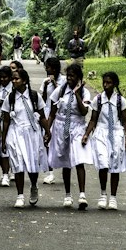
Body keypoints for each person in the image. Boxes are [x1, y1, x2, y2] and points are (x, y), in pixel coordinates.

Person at [81, 69, 126, 209]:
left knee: (115, 165)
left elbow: (125, 120)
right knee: (103, 163)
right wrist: (86, 134)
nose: (106, 85)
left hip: (116, 133)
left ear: (114, 84)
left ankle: (113, 197)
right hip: (101, 133)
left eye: (109, 83)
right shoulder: (98, 100)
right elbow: (93, 119)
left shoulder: (120, 101)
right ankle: (103, 194)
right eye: (104, 82)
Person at [44, 60, 92, 208]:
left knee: (78, 160)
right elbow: (52, 112)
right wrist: (48, 130)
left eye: (72, 76)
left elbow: (84, 111)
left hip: (77, 127)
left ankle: (82, 195)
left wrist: (77, 95)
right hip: (61, 126)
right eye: (68, 75)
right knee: (66, 162)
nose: (69, 78)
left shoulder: (84, 92)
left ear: (79, 77)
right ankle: (67, 195)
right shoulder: (60, 90)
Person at [1, 64, 48, 208]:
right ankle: (20, 195)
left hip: (32, 133)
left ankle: (33, 185)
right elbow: (6, 120)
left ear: (24, 81)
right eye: (13, 79)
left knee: (32, 165)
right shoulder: (10, 98)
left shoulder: (34, 96)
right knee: (17, 163)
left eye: (16, 79)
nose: (14, 81)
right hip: (15, 132)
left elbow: (42, 116)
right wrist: (3, 140)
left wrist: (48, 132)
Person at [39, 55, 66, 184]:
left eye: (48, 67)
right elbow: (44, 99)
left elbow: (61, 96)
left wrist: (55, 83)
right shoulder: (46, 81)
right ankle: (50, 173)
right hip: (48, 113)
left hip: (61, 115)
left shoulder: (64, 81)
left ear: (54, 69)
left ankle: (66, 167)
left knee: (62, 143)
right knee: (47, 141)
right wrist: (45, 86)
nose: (46, 69)